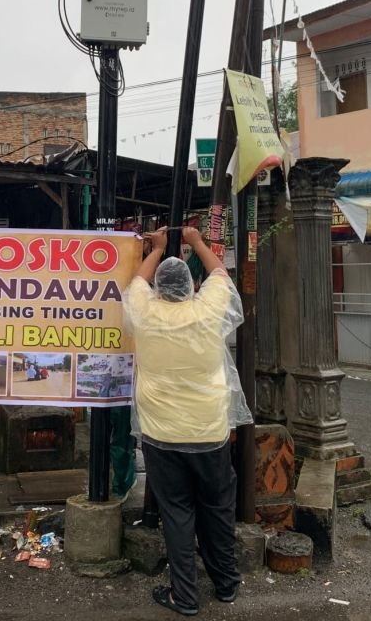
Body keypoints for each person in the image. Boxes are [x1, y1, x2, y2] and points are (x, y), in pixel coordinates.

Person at [123, 226, 252, 616]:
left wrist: (157, 249)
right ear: (192, 285)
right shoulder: (208, 310)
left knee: (177, 514)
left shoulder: (145, 312)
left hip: (162, 435)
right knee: (216, 508)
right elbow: (221, 277)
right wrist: (197, 242)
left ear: (159, 288)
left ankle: (185, 596)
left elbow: (136, 283)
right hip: (209, 431)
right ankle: (226, 584)